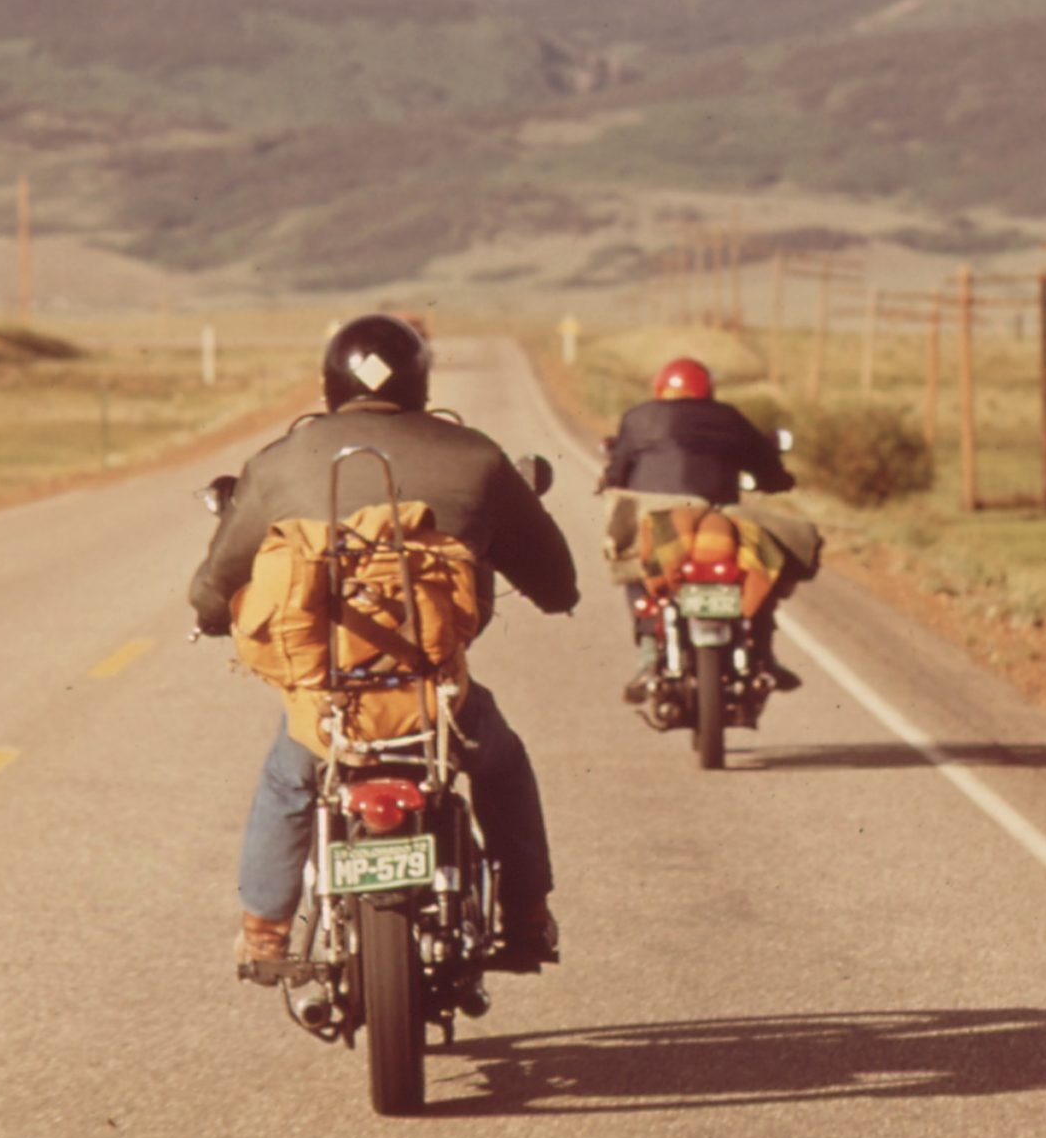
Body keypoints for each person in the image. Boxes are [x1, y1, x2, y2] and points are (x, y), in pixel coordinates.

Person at [190, 313, 580, 975]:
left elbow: (219, 579)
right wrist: (556, 597)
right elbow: (553, 574)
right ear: (422, 381)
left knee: (289, 777)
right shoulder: (476, 456)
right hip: (438, 699)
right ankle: (526, 917)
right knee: (502, 764)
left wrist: (209, 614)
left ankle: (263, 932)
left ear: (330, 382)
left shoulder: (281, 462)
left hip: (329, 706)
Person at [597, 355, 817, 698]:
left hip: (659, 517)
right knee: (762, 555)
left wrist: (609, 481)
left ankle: (647, 651)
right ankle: (764, 650)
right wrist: (779, 480)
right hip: (719, 514)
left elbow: (617, 471)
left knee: (635, 563)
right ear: (708, 390)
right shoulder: (728, 417)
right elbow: (767, 464)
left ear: (659, 389)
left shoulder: (638, 417)